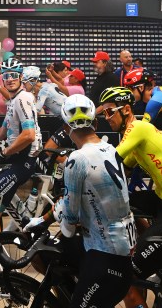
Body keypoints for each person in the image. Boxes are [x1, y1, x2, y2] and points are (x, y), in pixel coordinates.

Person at [97, 87, 162, 308]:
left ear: (126, 109)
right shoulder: (138, 132)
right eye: (104, 114)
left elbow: (111, 160)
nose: (106, 118)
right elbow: (122, 169)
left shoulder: (137, 128)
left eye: (110, 112)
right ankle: (150, 249)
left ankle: (149, 260)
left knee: (128, 271)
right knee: (127, 201)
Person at [28, 94, 135, 308]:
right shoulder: (110, 149)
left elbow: (68, 225)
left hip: (106, 257)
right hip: (120, 250)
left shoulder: (77, 159)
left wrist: (45, 219)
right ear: (95, 123)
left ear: (67, 130)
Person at [0, 57, 41, 234]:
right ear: (2, 79)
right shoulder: (15, 100)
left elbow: (29, 135)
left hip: (22, 160)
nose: (10, 79)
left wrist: (6, 152)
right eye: (6, 76)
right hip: (18, 160)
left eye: (14, 75)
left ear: (21, 77)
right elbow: (3, 131)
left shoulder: (23, 99)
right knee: (3, 206)